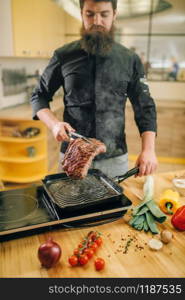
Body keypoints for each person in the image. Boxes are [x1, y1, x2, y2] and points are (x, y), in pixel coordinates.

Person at [30, 0, 158, 178]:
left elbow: (145, 106)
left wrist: (149, 150)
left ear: (114, 15)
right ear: (82, 14)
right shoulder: (63, 55)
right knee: (71, 205)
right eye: (90, 14)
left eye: (104, 14)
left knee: (113, 206)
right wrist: (54, 124)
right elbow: (39, 96)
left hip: (115, 157)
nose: (97, 21)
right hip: (72, 155)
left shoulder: (130, 59)